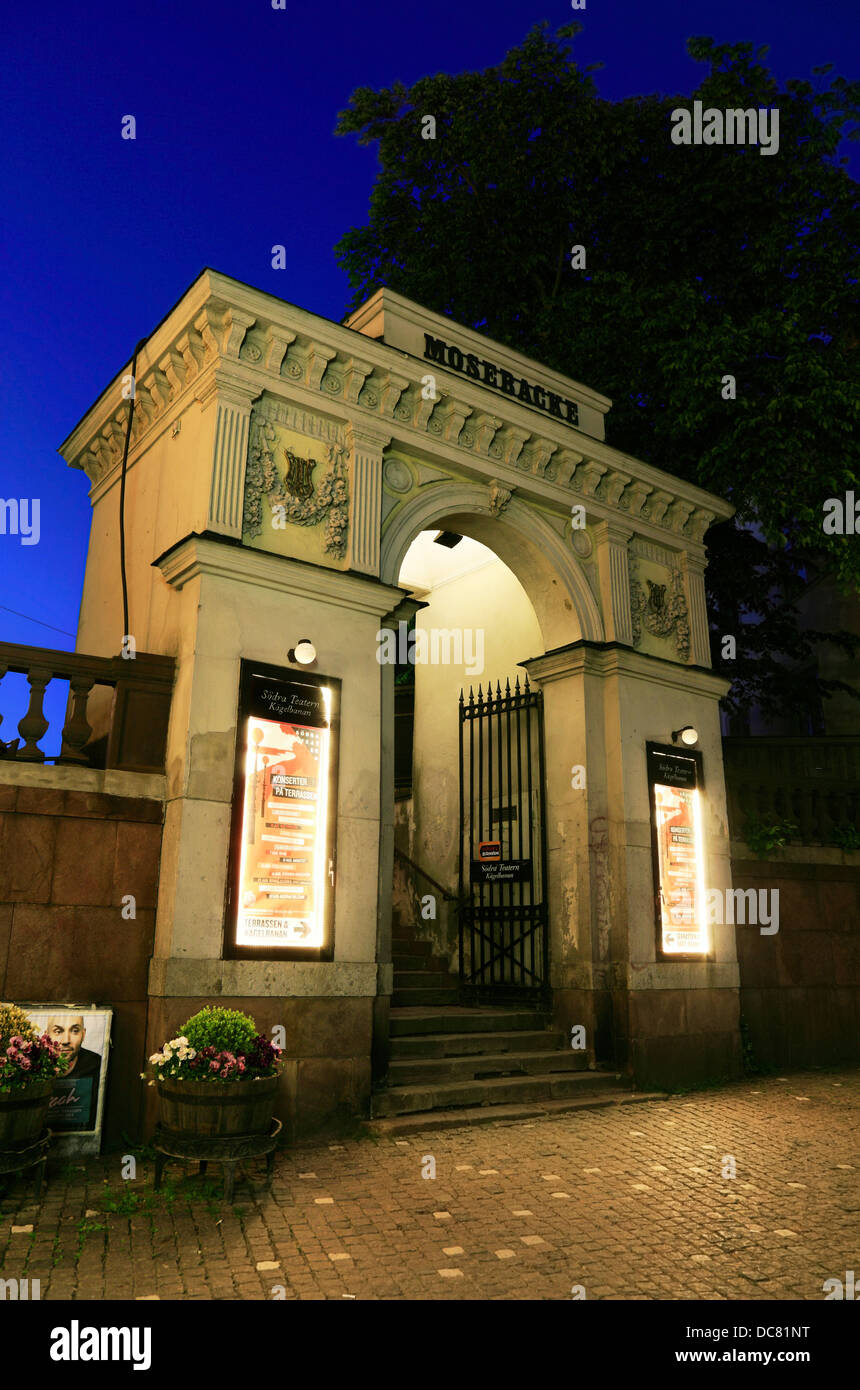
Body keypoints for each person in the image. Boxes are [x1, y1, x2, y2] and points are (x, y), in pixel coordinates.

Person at [44, 1014, 102, 1129]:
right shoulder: (32, 1064)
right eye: (58, 1031)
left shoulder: (96, 1065)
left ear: (83, 1034)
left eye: (75, 1031)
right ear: (47, 1035)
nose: (66, 1040)